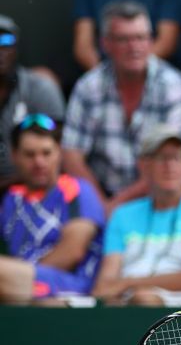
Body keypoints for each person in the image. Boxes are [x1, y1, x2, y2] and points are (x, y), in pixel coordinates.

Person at [62, 1, 181, 213]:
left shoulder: (173, 85)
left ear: (151, 41)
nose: (134, 47)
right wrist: (100, 205)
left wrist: (117, 206)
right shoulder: (88, 86)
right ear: (105, 43)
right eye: (124, 39)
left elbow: (176, 160)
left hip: (158, 197)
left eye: (141, 38)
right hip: (98, 196)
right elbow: (72, 155)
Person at [92, 124, 181, 307]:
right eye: (162, 158)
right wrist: (120, 290)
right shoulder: (122, 214)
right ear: (143, 165)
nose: (170, 166)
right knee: (53, 303)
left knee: (143, 299)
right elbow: (105, 284)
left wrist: (127, 283)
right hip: (122, 303)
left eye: (177, 157)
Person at [0, 115, 104, 305]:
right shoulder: (11, 198)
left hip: (73, 288)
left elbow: (73, 252)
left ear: (59, 153)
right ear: (15, 156)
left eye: (46, 153)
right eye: (30, 154)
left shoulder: (77, 190)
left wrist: (18, 274)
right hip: (18, 286)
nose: (39, 162)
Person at [0, 16, 66, 193]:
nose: (0, 50)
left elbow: (58, 150)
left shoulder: (40, 88)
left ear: (16, 48)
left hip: (31, 189)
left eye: (5, 41)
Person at [72, 0, 181, 71]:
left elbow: (166, 42)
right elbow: (83, 46)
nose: (131, 45)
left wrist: (132, 70)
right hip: (103, 72)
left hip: (156, 74)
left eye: (139, 37)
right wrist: (105, 76)